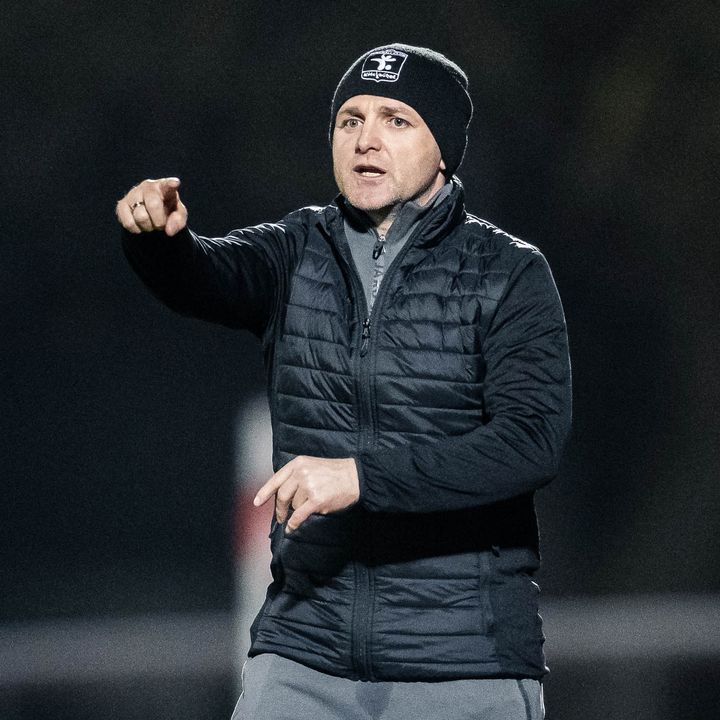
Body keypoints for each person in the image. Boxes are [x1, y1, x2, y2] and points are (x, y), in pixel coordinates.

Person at [117, 44, 571, 720]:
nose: (365, 139)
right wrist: (160, 241)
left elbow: (530, 443)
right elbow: (206, 277)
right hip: (305, 654)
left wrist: (364, 477)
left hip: (462, 661)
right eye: (350, 119)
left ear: (443, 150)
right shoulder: (295, 250)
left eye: (396, 120)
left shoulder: (509, 274)